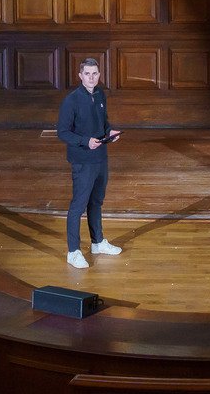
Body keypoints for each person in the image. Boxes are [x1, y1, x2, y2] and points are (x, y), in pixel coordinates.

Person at [56, 56, 122, 268]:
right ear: (80, 76)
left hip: (100, 157)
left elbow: (103, 123)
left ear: (99, 75)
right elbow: (63, 132)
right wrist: (86, 141)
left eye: (95, 74)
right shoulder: (72, 100)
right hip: (83, 160)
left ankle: (97, 242)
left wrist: (109, 132)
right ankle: (73, 251)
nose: (92, 77)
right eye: (87, 74)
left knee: (96, 201)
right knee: (79, 205)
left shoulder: (101, 94)